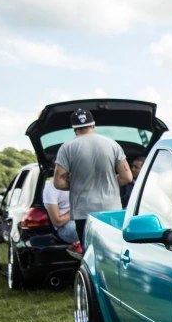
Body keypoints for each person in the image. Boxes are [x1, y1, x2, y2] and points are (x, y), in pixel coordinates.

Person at [53, 108, 132, 255]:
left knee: (90, 256)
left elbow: (58, 183)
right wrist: (110, 182)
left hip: (83, 213)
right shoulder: (112, 144)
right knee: (112, 254)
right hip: (111, 211)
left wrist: (77, 183)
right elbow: (127, 177)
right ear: (93, 125)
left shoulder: (67, 148)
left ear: (74, 129)